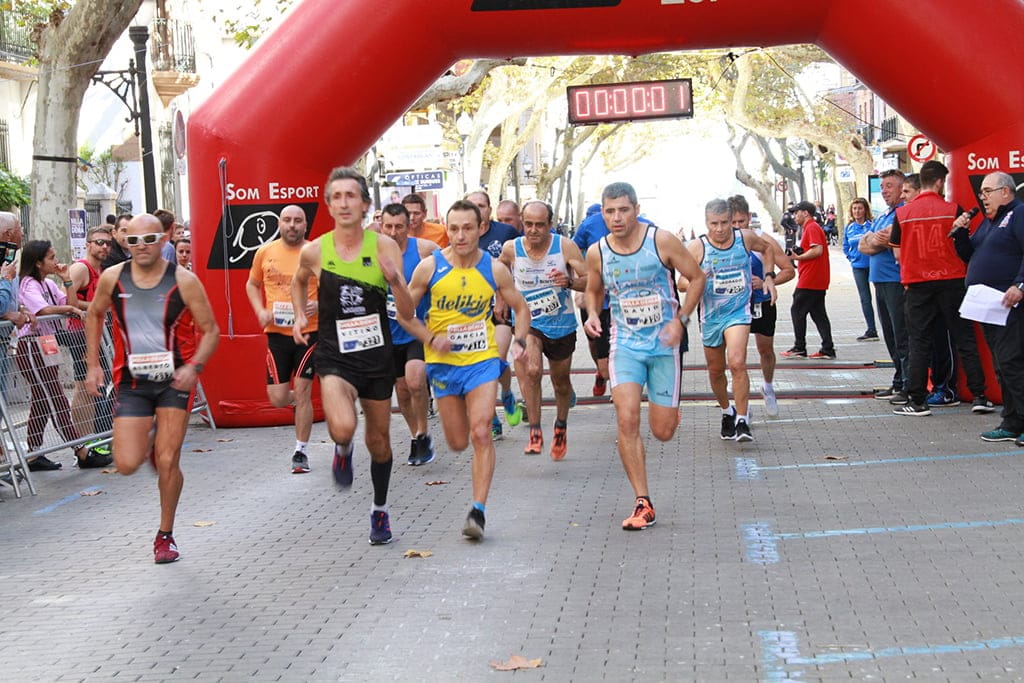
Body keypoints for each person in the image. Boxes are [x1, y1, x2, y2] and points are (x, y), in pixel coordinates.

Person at [291, 167, 415, 546]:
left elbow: (407, 311)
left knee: (379, 442)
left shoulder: (384, 247)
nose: (344, 203)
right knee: (344, 427)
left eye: (351, 196)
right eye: (336, 197)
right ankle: (342, 447)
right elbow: (298, 281)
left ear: (364, 204)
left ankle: (380, 509)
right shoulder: (315, 250)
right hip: (335, 355)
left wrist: (395, 281)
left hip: (376, 357)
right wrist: (299, 315)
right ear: (329, 206)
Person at [85, 214, 219, 564]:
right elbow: (94, 314)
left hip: (175, 381)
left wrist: (194, 367)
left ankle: (165, 535)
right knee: (126, 463)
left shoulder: (184, 281)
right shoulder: (113, 278)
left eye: (148, 239)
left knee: (168, 459)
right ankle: (148, 443)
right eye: (133, 241)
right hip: (132, 381)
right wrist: (93, 365)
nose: (141, 247)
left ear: (163, 240)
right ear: (125, 242)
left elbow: (211, 330)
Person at [398, 199, 530, 540]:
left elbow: (521, 308)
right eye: (454, 229)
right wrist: (430, 338)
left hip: (481, 359)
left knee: (481, 432)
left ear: (480, 228)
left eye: (468, 228)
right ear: (447, 229)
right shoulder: (430, 268)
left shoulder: (494, 268)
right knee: (458, 441)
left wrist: (519, 340)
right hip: (443, 363)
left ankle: (478, 510)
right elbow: (404, 314)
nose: (460, 236)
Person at [583, 182, 705, 531]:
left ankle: (668, 409)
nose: (617, 217)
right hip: (625, 346)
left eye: (623, 210)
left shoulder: (661, 240)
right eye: (610, 211)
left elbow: (697, 278)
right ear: (602, 213)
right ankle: (643, 501)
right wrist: (592, 314)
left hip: (665, 345)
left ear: (636, 209)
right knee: (626, 418)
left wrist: (681, 320)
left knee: (662, 432)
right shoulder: (597, 251)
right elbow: (593, 289)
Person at [889, 160, 992, 417]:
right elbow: (963, 247)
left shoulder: (903, 214)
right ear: (939, 182)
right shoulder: (953, 210)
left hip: (917, 283)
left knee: (919, 342)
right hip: (952, 280)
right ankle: (980, 396)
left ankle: (917, 401)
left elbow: (897, 252)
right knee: (964, 338)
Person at [499, 200, 586, 459]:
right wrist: (500, 299)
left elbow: (591, 279)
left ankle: (560, 426)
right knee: (533, 370)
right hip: (528, 322)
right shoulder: (511, 248)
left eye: (539, 225)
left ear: (550, 224)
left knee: (561, 383)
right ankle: (535, 432)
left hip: (561, 325)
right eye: (528, 224)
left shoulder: (564, 246)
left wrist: (570, 282)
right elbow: (499, 271)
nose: (533, 230)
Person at [16, 240, 112, 472]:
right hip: (31, 346)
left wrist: (67, 279)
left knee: (42, 400)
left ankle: (33, 454)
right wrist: (70, 310)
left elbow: (69, 301)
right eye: (51, 258)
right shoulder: (28, 284)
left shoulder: (48, 283)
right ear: (38, 262)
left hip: (47, 344)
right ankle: (80, 450)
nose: (56, 261)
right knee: (56, 398)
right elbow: (43, 310)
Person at [686, 199, 777, 442]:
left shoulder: (744, 238)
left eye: (724, 223)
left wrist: (769, 276)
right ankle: (728, 411)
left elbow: (768, 249)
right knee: (716, 371)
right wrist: (698, 279)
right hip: (711, 316)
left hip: (739, 312)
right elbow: (681, 282)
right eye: (714, 224)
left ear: (731, 221)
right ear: (706, 223)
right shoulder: (697, 247)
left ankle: (742, 421)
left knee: (737, 363)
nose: (719, 229)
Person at [951, 171, 1024, 444]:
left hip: (1010, 302)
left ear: (1005, 191)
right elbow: (970, 255)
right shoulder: (989, 222)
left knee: (1012, 362)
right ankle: (1012, 421)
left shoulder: (1018, 214)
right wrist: (960, 234)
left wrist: (1020, 284)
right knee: (1002, 365)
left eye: (987, 191)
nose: (982, 197)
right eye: (981, 192)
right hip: (989, 304)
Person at [245, 204, 319, 474]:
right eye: (287, 220)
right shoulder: (265, 252)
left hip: (309, 332)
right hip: (277, 333)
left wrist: (319, 305)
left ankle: (301, 451)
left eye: (298, 220)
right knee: (277, 398)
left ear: (305, 224)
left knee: (303, 390)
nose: (292, 225)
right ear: (279, 224)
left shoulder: (316, 252)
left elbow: (335, 288)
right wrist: (260, 310)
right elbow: (252, 284)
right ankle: (305, 403)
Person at [378, 203, 437, 466]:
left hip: (416, 328)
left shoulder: (424, 250)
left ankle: (423, 432)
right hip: (388, 333)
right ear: (381, 226)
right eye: (388, 227)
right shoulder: (371, 254)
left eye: (399, 227)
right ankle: (416, 437)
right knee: (401, 391)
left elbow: (448, 271)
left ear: (408, 226)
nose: (393, 232)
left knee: (415, 381)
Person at [726, 195, 794, 419]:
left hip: (761, 303)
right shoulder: (721, 244)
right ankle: (743, 404)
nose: (738, 227)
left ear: (749, 218)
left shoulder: (763, 241)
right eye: (733, 223)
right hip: (736, 306)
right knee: (738, 357)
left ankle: (768, 385)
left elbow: (788, 270)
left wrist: (767, 280)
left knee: (765, 350)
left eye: (742, 222)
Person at [465, 190, 524, 439]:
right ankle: (492, 417)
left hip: (501, 308)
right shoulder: (460, 236)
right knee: (480, 366)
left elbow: (520, 262)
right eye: (471, 205)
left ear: (489, 209)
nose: (477, 209)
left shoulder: (506, 233)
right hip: (471, 311)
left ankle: (507, 394)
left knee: (496, 360)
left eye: (481, 205)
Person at [859, 169, 910, 401]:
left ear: (902, 188)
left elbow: (890, 240)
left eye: (889, 186)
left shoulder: (903, 213)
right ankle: (898, 379)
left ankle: (908, 384)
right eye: (882, 187)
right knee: (889, 335)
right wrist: (879, 240)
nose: (884, 191)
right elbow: (863, 245)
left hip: (895, 281)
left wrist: (880, 241)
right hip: (879, 282)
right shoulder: (883, 216)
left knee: (901, 334)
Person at [66, 225, 112, 436]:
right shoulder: (81, 268)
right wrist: (96, 306)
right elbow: (65, 298)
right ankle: (83, 440)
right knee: (85, 387)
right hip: (79, 333)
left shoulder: (100, 271)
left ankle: (94, 436)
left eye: (108, 244)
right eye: (99, 242)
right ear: (88, 245)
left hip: (95, 334)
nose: (104, 247)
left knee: (96, 386)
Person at [781, 201, 835, 359]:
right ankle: (827, 348)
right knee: (818, 313)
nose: (794, 216)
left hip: (811, 278)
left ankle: (799, 347)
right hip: (817, 277)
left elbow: (817, 250)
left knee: (797, 309)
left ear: (805, 213)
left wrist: (798, 257)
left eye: (796, 212)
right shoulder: (810, 228)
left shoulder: (811, 227)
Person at [841, 198, 878, 341]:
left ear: (865, 210)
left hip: (873, 264)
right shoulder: (849, 228)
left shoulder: (872, 225)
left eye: (860, 208)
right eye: (854, 208)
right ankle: (871, 329)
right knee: (865, 299)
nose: (857, 211)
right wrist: (851, 257)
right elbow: (845, 246)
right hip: (858, 267)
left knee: (882, 297)